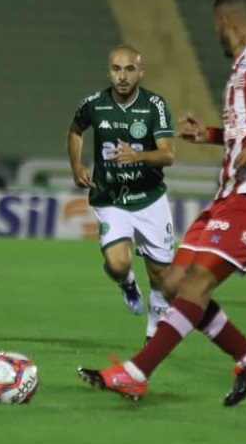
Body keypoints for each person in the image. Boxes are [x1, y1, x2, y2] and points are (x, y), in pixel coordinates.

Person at [78, 0, 246, 406]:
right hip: (229, 196)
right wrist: (210, 135)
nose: (215, 35)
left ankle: (137, 372)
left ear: (226, 21)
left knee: (195, 283)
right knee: (175, 284)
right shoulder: (242, 69)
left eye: (216, 26)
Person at [67, 45, 176, 342]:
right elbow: (75, 130)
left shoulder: (155, 105)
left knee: (162, 278)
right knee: (117, 263)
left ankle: (153, 334)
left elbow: (168, 155)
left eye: (129, 69)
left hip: (150, 199)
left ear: (141, 72)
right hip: (111, 198)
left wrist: (138, 157)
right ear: (108, 72)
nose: (123, 76)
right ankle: (127, 282)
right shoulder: (94, 104)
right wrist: (76, 165)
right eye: (116, 69)